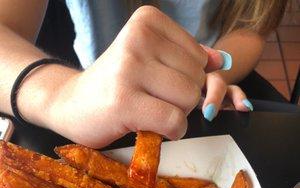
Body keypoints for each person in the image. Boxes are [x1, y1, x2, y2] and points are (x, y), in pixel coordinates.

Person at [0, 0, 287, 148]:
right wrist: (63, 95)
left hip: (207, 88)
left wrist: (215, 75)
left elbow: (252, 23)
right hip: (93, 94)